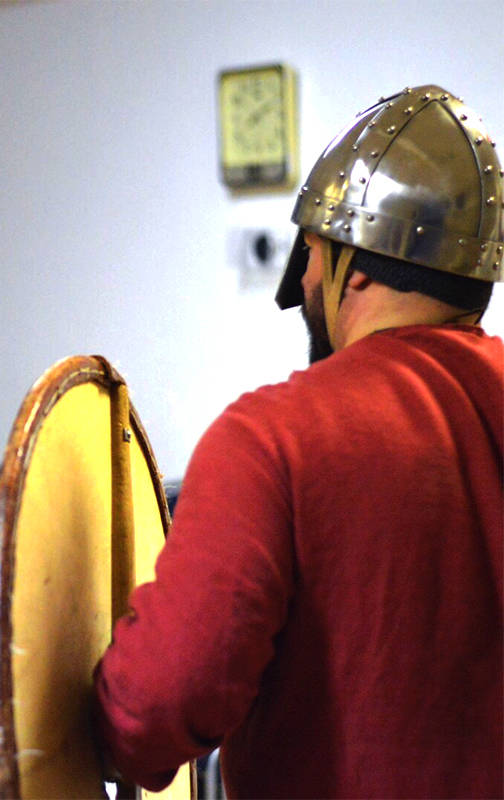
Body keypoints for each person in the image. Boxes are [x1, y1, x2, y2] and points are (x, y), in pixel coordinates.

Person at [95, 84, 502, 797]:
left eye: (312, 252)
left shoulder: (274, 438)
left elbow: (154, 709)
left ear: (357, 263)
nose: (306, 278)